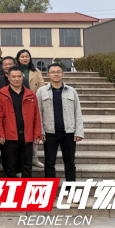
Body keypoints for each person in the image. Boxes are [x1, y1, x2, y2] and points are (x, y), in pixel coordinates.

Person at [37, 63, 84, 198]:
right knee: (49, 162)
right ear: (48, 74)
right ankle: (49, 192)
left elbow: (77, 112)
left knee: (70, 163)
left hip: (68, 132)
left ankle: (70, 191)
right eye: (53, 72)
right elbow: (38, 113)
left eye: (58, 71)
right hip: (49, 132)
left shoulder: (71, 91)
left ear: (63, 74)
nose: (56, 74)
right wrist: (41, 131)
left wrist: (79, 132)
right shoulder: (41, 91)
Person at [0, 66, 41, 178]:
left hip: (27, 135)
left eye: (19, 76)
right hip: (9, 135)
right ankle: (12, 188)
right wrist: (0, 134)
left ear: (22, 77)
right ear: (8, 77)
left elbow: (36, 116)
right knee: (10, 165)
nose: (17, 79)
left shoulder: (31, 94)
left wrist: (37, 133)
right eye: (14, 77)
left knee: (27, 165)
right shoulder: (2, 94)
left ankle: (25, 188)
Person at [16, 49, 46, 169]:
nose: (25, 58)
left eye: (27, 56)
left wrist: (34, 96)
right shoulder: (15, 70)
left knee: (33, 130)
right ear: (18, 58)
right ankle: (20, 160)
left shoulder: (36, 71)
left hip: (33, 102)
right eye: (22, 56)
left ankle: (34, 157)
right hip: (18, 102)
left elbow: (42, 85)